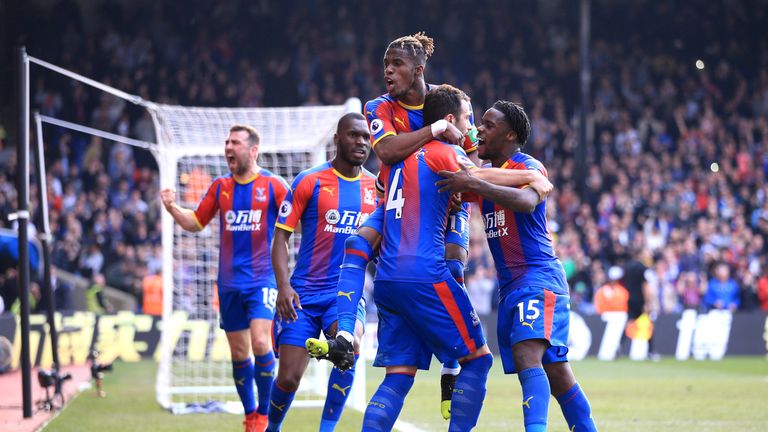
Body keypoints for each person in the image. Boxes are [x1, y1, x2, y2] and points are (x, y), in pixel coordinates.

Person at [306, 32, 552, 420]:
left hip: (441, 203)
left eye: (396, 64)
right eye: (386, 64)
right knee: (356, 245)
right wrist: (527, 177)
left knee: (452, 261)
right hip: (400, 206)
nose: (388, 70)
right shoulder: (382, 107)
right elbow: (386, 151)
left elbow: (472, 158)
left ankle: (449, 370)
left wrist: (464, 172)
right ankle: (346, 332)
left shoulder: (449, 99)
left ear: (418, 70)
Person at [437, 100, 597, 431]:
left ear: (510, 134)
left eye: (489, 125)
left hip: (537, 278)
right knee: (557, 373)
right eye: (479, 122)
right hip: (511, 286)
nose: (479, 129)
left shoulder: (528, 165)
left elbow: (526, 202)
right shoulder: (489, 174)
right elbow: (458, 184)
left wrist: (475, 184)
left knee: (528, 357)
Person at [359, 84, 493, 431]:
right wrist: (529, 176)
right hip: (425, 275)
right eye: (467, 119)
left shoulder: (394, 161)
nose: (471, 127)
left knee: (399, 376)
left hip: (387, 277)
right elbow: (479, 182)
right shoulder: (443, 152)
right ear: (450, 120)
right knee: (478, 361)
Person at [160, 124, 289, 432]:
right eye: (227, 143)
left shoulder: (273, 185)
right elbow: (196, 222)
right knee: (238, 351)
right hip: (229, 283)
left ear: (253, 150)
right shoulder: (221, 186)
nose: (229, 147)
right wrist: (171, 207)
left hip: (263, 279)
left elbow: (295, 218)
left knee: (260, 341)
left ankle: (267, 417)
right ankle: (250, 415)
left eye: (236, 143)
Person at [267, 113, 376, 432]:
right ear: (338, 139)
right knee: (287, 377)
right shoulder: (308, 180)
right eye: (354, 135)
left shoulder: (375, 189)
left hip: (344, 294)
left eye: (366, 137)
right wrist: (283, 287)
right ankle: (271, 428)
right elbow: (280, 237)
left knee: (350, 350)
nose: (361, 142)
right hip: (302, 294)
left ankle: (326, 430)